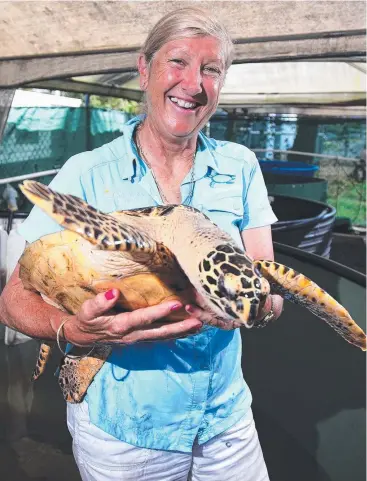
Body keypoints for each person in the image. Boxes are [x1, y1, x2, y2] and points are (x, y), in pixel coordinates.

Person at [0, 7, 283, 481]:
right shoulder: (85, 173)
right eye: (177, 62)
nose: (193, 83)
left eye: (211, 69)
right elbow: (12, 303)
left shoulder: (241, 165)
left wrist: (259, 307)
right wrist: (71, 331)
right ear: (143, 67)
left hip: (225, 420)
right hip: (126, 432)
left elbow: (270, 284)